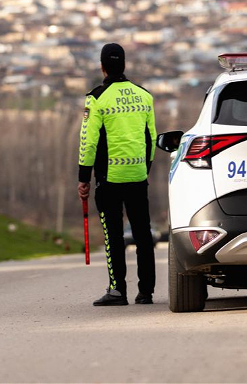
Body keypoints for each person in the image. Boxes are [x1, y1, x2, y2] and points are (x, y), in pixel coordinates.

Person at [77, 43, 157, 306]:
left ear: (102, 66)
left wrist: (83, 178)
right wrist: (146, 167)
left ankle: (117, 290)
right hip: (137, 174)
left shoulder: (97, 97)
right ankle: (146, 292)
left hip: (108, 178)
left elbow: (88, 141)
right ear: (123, 65)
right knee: (143, 234)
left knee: (113, 235)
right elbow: (151, 137)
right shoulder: (144, 95)